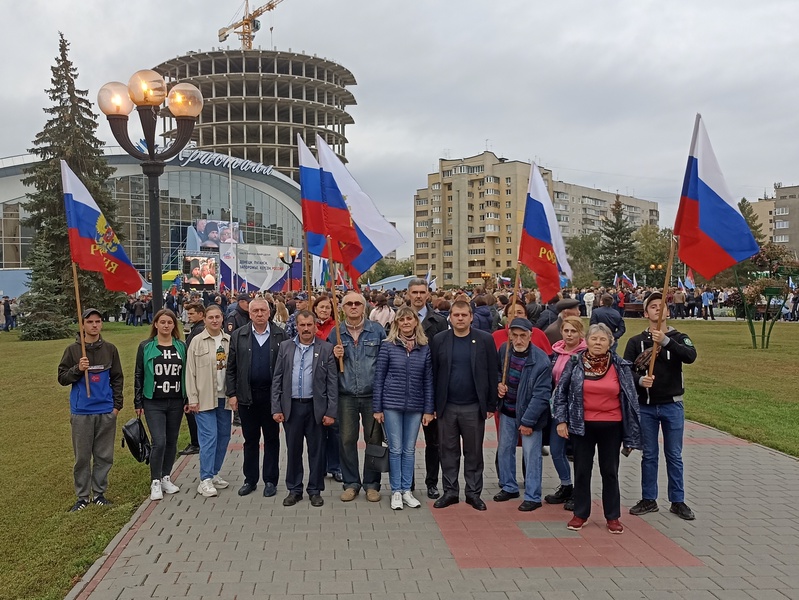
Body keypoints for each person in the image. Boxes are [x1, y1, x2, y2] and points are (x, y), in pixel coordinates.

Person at [553, 323, 641, 534]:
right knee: (582, 470)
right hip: (581, 425)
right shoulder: (575, 363)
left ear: (610, 342)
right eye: (594, 339)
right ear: (587, 341)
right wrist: (561, 420)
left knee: (609, 471)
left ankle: (612, 517)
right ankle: (580, 514)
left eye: (603, 339)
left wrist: (632, 431)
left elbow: (630, 398)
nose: (598, 343)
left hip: (612, 425)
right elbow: (560, 393)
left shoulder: (620, 365)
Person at [624, 292, 698, 521]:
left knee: (674, 455)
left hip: (672, 405)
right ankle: (649, 498)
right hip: (646, 406)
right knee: (650, 455)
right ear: (645, 313)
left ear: (667, 311)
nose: (658, 309)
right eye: (652, 306)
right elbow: (626, 371)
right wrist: (639, 381)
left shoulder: (679, 337)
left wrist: (666, 341)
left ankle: (678, 500)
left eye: (661, 306)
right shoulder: (636, 342)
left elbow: (690, 356)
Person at [430, 300, 498, 511]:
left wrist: (490, 404)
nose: (460, 318)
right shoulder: (439, 340)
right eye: (456, 315)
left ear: (471, 317)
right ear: (449, 316)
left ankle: (473, 493)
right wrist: (432, 404)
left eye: (464, 315)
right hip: (446, 406)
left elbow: (492, 372)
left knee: (474, 452)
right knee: (447, 451)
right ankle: (450, 491)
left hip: (473, 406)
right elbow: (432, 373)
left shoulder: (484, 339)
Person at [58, 308, 124, 511]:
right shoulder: (73, 351)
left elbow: (117, 378)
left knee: (104, 455)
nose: (94, 325)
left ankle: (99, 493)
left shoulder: (110, 349)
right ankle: (83, 497)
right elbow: (62, 378)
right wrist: (78, 369)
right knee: (83, 457)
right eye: (90, 322)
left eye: (98, 321)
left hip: (105, 410)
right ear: (83, 325)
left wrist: (116, 407)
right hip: (82, 412)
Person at [272, 310, 338, 507]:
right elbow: (277, 379)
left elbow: (332, 383)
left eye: (310, 325)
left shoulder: (326, 349)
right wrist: (276, 407)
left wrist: (330, 411)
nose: (306, 329)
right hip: (292, 407)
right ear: (297, 326)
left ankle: (315, 490)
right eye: (302, 325)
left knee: (316, 451)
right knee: (293, 450)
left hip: (315, 408)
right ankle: (294, 489)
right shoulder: (285, 347)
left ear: (315, 326)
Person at [373, 307, 435, 510]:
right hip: (392, 404)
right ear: (397, 323)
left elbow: (428, 381)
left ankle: (407, 490)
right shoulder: (388, 346)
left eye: (410, 319)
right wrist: (378, 407)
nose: (406, 322)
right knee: (396, 448)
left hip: (415, 406)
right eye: (402, 320)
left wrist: (428, 409)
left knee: (409, 450)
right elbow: (379, 378)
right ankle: (396, 491)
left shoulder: (424, 347)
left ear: (416, 322)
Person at [226, 297, 288, 497]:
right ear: (249, 314)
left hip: (272, 397)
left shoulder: (281, 335)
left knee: (272, 439)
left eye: (263, 310)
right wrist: (232, 394)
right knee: (250, 440)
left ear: (269, 312)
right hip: (247, 396)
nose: (259, 314)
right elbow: (231, 367)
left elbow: (287, 368)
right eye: (255, 311)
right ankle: (250, 480)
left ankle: (270, 480)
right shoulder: (239, 335)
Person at [331, 291, 387, 502]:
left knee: (373, 441)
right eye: (349, 304)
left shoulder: (376, 331)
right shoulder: (336, 333)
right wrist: (335, 357)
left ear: (364, 307)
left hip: (372, 395)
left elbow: (384, 363)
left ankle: (372, 484)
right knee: (347, 440)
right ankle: (351, 483)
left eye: (357, 303)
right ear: (343, 309)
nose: (353, 307)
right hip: (346, 396)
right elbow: (329, 368)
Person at [495, 318, 552, 512]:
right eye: (515, 335)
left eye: (523, 336)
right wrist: (498, 385)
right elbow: (496, 372)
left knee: (531, 454)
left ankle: (533, 495)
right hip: (507, 410)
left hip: (530, 415)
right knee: (504, 449)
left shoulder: (541, 360)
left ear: (530, 336)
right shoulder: (504, 349)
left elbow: (541, 395)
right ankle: (509, 486)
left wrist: (528, 421)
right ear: (509, 335)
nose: (518, 340)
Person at [134, 309, 187, 501]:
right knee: (159, 441)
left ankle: (166, 476)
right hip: (153, 401)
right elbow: (139, 373)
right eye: (162, 322)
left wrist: (187, 398)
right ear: (155, 324)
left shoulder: (181, 346)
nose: (166, 325)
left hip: (176, 400)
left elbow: (187, 374)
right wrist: (137, 400)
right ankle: (155, 481)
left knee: (172, 440)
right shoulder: (146, 346)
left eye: (169, 322)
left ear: (174, 325)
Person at [406, 278, 449, 499]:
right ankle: (407, 483)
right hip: (406, 389)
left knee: (434, 442)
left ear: (428, 295)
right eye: (414, 292)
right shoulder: (398, 319)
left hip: (431, 389)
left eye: (422, 292)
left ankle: (432, 483)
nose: (418, 296)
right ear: (408, 294)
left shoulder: (439, 321)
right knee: (407, 441)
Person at [185, 304, 232, 497]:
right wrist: (192, 398)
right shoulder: (197, 341)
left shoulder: (229, 340)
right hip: (203, 398)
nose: (214, 320)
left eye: (217, 317)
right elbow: (190, 371)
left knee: (224, 437)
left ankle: (214, 473)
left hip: (224, 398)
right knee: (209, 437)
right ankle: (204, 479)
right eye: (210, 317)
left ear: (222, 318)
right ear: (204, 319)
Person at [543, 315, 587, 511]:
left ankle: (580, 490)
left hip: (577, 410)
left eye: (573, 331)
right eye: (566, 331)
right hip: (557, 409)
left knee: (577, 453)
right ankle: (566, 484)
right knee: (556, 450)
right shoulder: (556, 352)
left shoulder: (585, 354)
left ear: (580, 333)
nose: (569, 335)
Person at [313, 295, 341, 482]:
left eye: (328, 307)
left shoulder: (336, 328)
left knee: (335, 429)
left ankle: (336, 466)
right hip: (314, 382)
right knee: (317, 429)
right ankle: (319, 466)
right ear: (315, 308)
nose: (324, 310)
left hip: (333, 379)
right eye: (321, 307)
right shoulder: (309, 326)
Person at [178, 302, 206, 456]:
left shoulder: (199, 330)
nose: (189, 316)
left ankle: (196, 442)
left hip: (194, 375)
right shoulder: (196, 329)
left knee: (192, 410)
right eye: (188, 314)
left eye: (191, 314)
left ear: (201, 314)